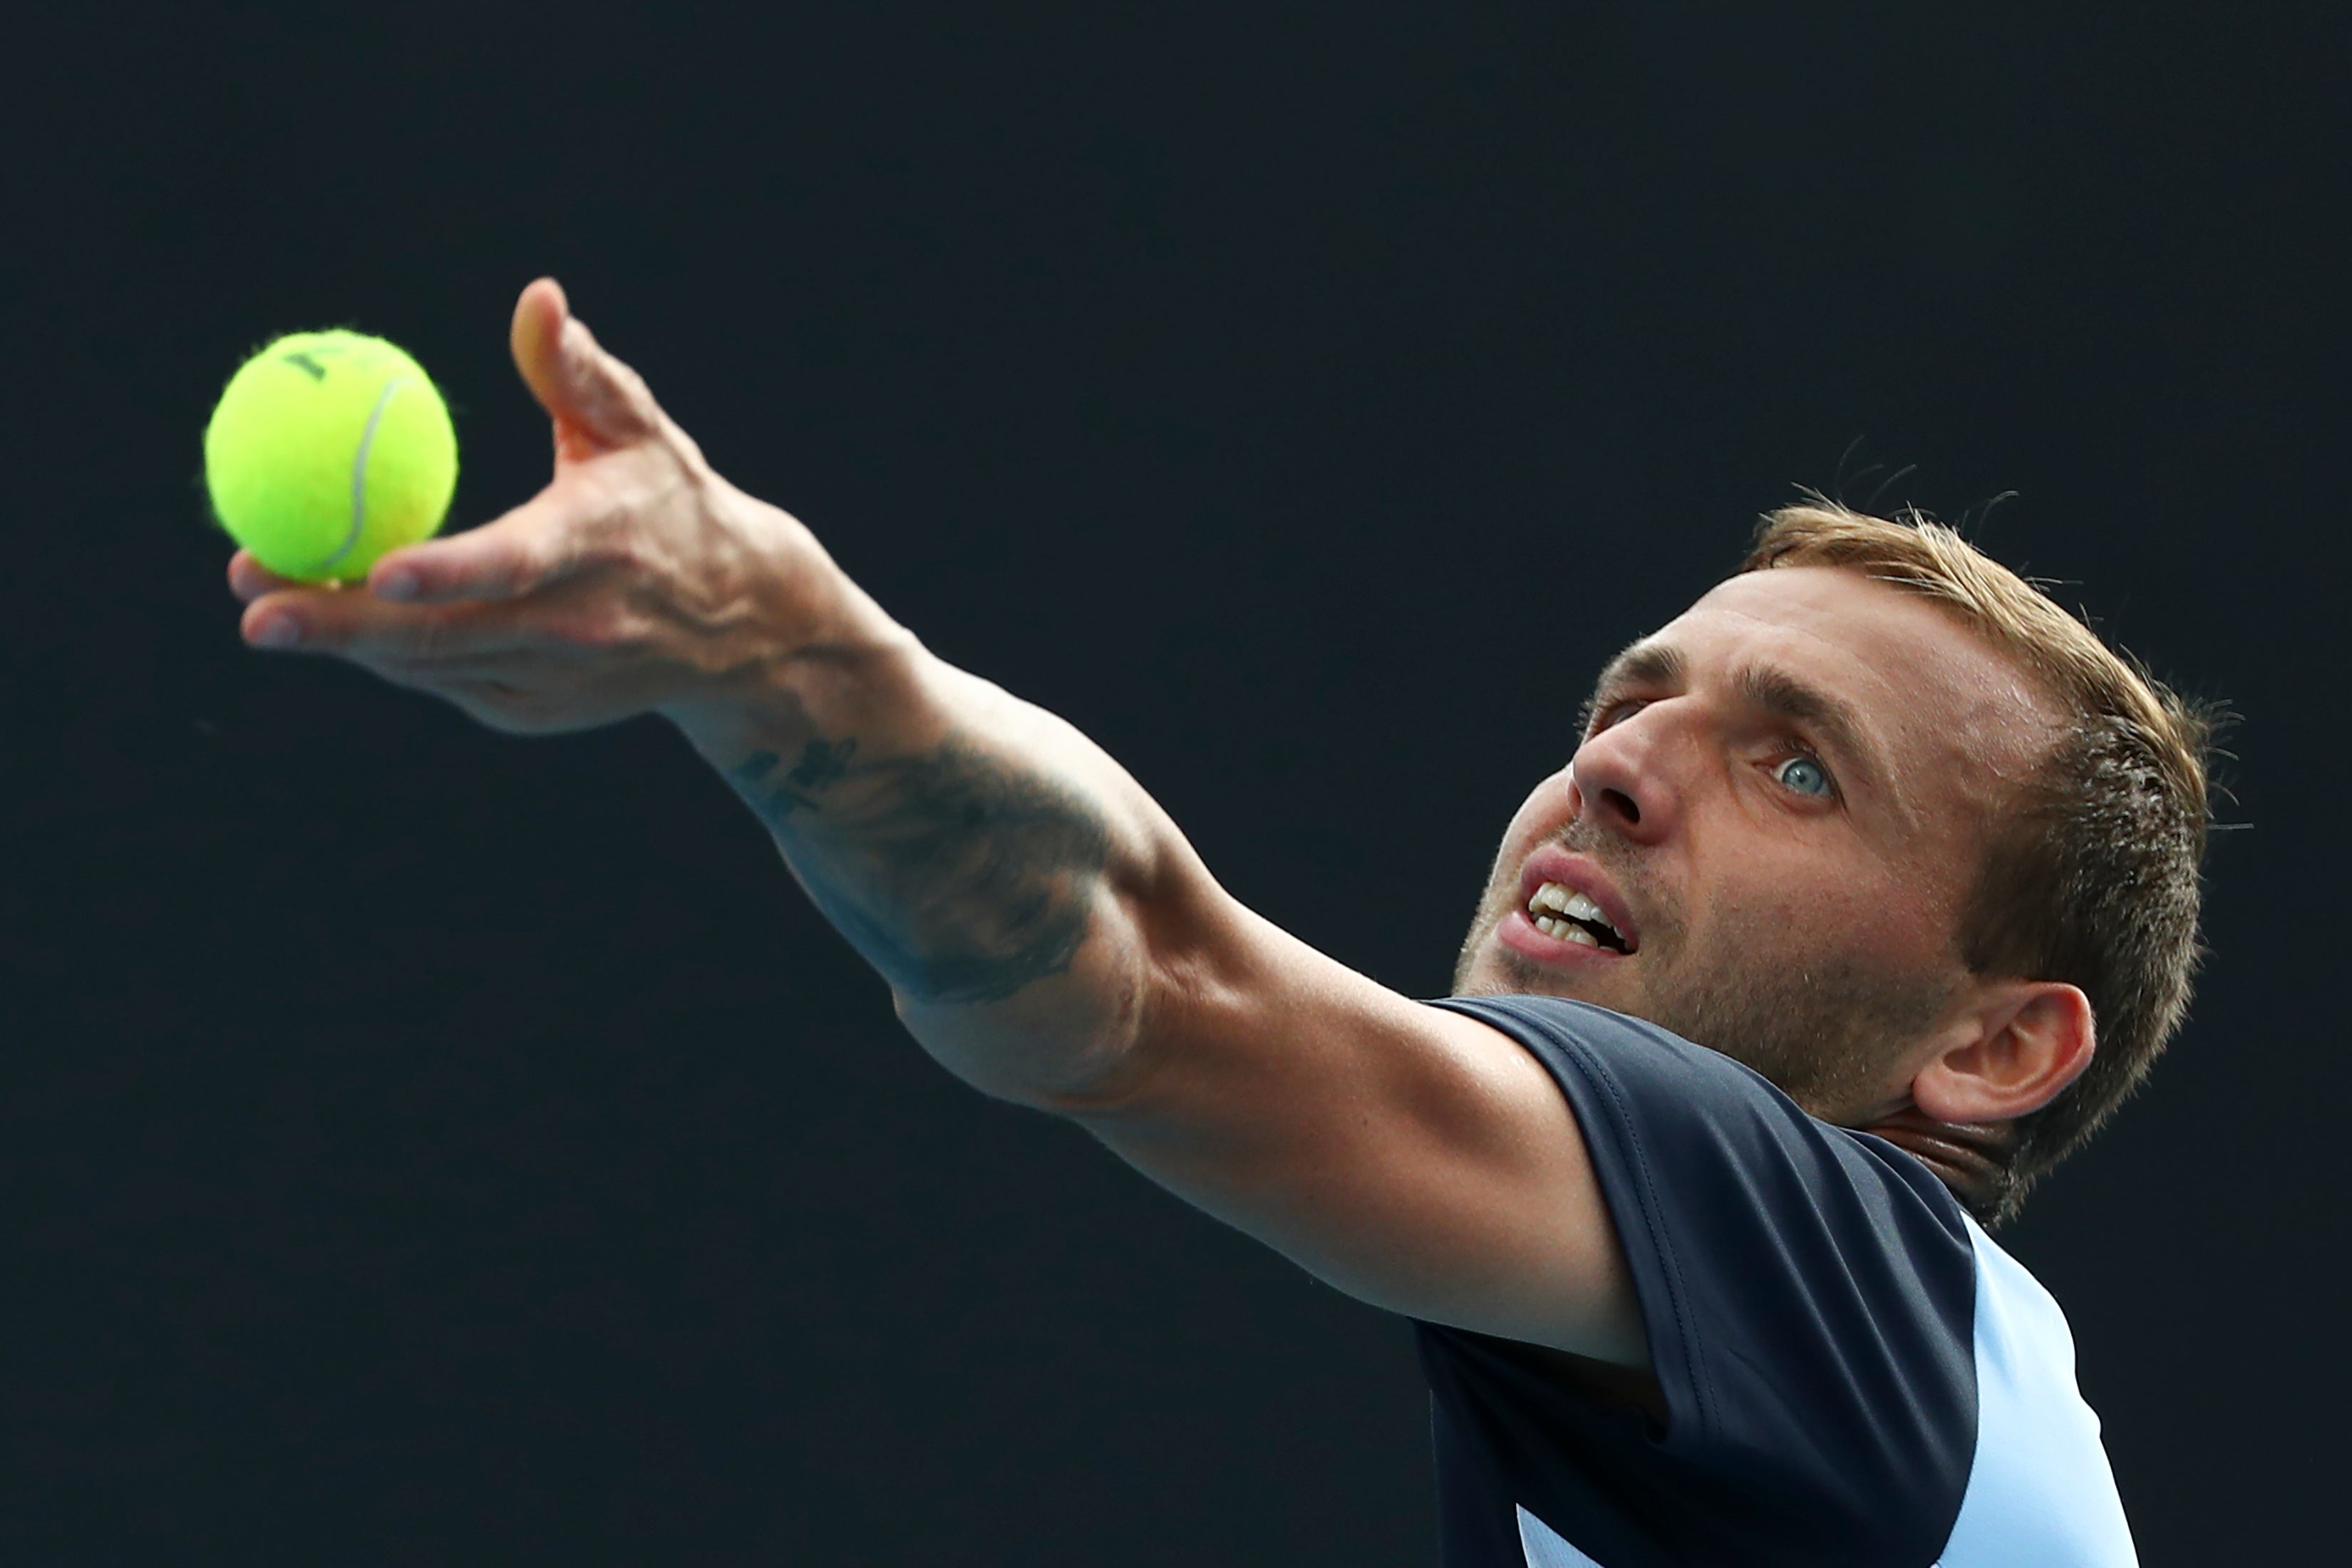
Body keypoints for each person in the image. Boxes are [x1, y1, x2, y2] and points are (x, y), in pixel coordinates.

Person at [231, 280, 2212, 1567]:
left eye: (1796, 770)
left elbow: (1142, 986)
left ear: (1991, 1047)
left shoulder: (1845, 1274)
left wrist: (767, 648)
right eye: (1629, 703)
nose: (1614, 771)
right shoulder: (1799, 1417)